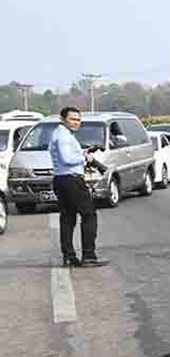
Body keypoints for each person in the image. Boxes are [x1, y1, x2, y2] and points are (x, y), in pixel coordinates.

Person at [49, 107, 107, 267]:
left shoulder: (59, 134)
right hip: (72, 180)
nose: (76, 122)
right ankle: (89, 255)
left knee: (68, 218)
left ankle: (68, 255)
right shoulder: (63, 137)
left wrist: (82, 152)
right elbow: (67, 158)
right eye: (72, 119)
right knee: (89, 215)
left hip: (61, 179)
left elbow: (65, 156)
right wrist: (84, 158)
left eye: (78, 120)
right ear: (62, 119)